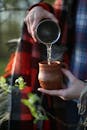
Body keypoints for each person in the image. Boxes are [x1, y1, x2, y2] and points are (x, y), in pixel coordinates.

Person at [2, 0, 87, 130]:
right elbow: (60, 10)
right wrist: (40, 8)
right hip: (69, 101)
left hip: (78, 93)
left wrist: (83, 92)